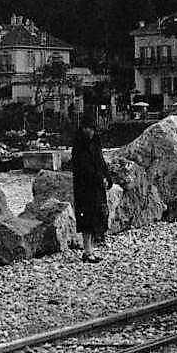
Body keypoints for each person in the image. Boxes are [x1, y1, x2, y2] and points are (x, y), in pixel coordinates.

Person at [70, 111, 113, 263]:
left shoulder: (96, 142)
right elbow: (82, 167)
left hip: (95, 187)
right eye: (86, 128)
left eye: (91, 128)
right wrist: (98, 177)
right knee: (86, 219)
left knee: (96, 217)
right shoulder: (78, 145)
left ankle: (90, 250)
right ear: (82, 128)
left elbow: (101, 161)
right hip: (84, 188)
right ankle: (87, 251)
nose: (89, 131)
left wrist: (108, 177)